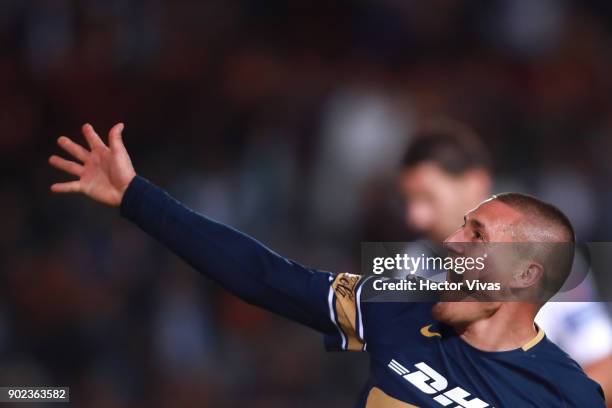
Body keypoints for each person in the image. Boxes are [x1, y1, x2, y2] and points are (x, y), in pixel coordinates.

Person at [48, 123, 605, 407]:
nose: (454, 241)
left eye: (477, 233)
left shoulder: (567, 393)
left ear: (526, 275)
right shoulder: (397, 307)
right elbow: (263, 275)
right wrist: (136, 197)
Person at [398, 119, 612, 404]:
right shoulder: (412, 262)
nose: (415, 217)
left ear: (475, 184)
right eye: (408, 200)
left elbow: (604, 364)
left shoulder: (538, 255)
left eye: (428, 198)